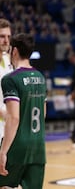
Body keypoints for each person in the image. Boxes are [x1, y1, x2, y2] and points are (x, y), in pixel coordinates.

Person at [0, 33, 47, 188]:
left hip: (18, 146)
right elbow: (43, 114)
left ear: (14, 51)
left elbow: (13, 118)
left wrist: (3, 151)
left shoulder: (10, 79)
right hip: (38, 146)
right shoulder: (41, 77)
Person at [0, 19, 13, 141]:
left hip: (6, 124)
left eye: (8, 36)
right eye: (2, 36)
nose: (6, 41)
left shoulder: (8, 59)